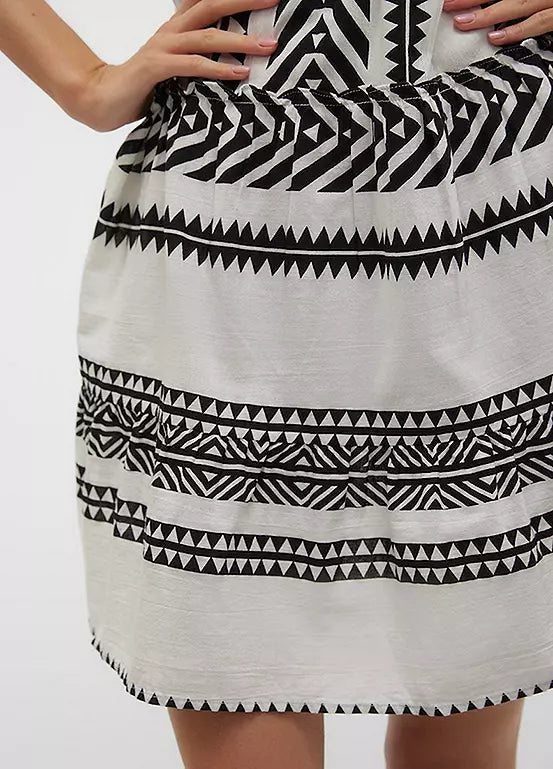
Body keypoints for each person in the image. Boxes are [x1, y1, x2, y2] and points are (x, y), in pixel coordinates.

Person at [2, 0, 553, 766]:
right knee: (236, 671)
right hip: (233, 219)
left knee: (468, 684)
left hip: (487, 180)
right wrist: (82, 82)